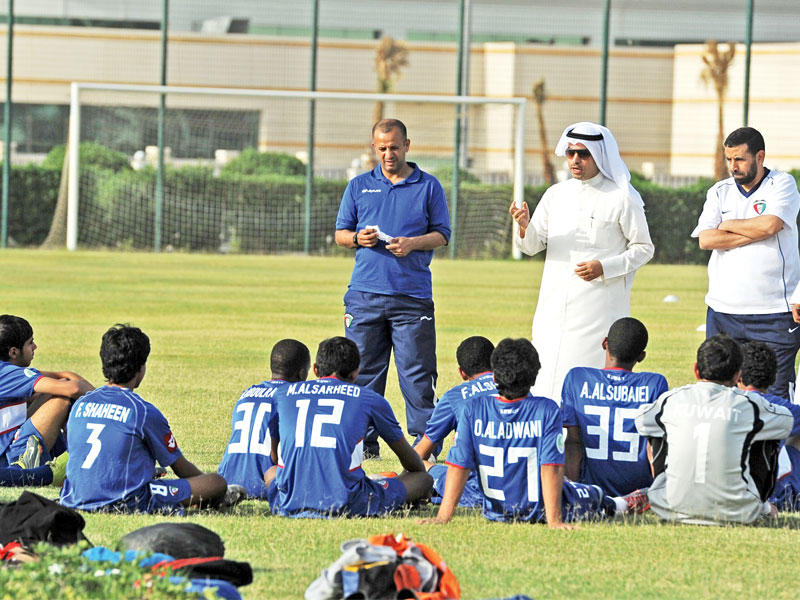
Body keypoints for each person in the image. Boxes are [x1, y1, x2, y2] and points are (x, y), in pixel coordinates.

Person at [423, 338, 648, 528]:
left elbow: (459, 465)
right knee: (593, 494)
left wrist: (443, 517)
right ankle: (622, 504)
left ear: (495, 377)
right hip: (537, 507)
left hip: (496, 510)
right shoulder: (546, 409)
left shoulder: (474, 409)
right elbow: (551, 466)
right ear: (533, 378)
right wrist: (554, 521)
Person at [509, 122, 654, 403]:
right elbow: (532, 246)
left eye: (583, 154)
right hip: (554, 304)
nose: (575, 160)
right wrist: (525, 227)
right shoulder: (555, 195)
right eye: (571, 153)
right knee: (548, 366)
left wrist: (604, 267)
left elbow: (644, 248)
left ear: (599, 155)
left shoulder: (621, 197)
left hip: (597, 305)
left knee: (587, 366)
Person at [334, 118, 451, 458]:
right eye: (382, 148)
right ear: (374, 147)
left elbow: (442, 234)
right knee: (362, 374)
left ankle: (425, 448)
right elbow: (341, 234)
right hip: (365, 295)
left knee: (417, 375)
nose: (388, 154)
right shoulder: (358, 186)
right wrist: (358, 238)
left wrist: (412, 243)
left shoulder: (428, 186)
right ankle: (364, 445)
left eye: (395, 148)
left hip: (411, 298)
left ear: (407, 146)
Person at [60, 324, 240, 514]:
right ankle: (206, 500)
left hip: (73, 497)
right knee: (215, 482)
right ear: (140, 368)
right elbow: (180, 467)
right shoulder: (143, 411)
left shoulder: (81, 403)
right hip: (125, 500)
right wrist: (207, 488)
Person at [265, 336, 432, 518]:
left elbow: (274, 457)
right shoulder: (369, 399)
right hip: (347, 502)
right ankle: (374, 485)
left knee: (271, 472)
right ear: (356, 372)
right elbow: (411, 462)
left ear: (315, 369)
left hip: (288, 501)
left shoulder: (282, 394)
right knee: (423, 479)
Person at [635, 334, 793, 524]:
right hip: (738, 512)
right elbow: (786, 422)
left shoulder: (673, 399)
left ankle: (668, 488)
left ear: (696, 370)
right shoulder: (749, 404)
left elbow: (641, 421)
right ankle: (762, 505)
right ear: (738, 375)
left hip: (669, 508)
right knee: (767, 433)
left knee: (657, 429)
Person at [692, 126, 800, 400]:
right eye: (729, 159)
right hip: (722, 312)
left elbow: (771, 225)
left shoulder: (782, 184)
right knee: (719, 395)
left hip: (774, 313)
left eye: (739, 159)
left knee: (775, 399)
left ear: (760, 156)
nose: (733, 166)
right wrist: (755, 231)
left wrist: (727, 225)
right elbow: (706, 239)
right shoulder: (719, 192)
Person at [561, 317, 668, 496]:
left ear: (605, 343)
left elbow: (573, 443)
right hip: (637, 492)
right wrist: (659, 495)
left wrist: (574, 494)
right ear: (641, 356)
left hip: (591, 490)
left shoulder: (577, 378)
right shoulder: (654, 384)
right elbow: (653, 447)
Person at [217, 339, 310, 499]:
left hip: (227, 479)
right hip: (264, 481)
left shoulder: (247, 393)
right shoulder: (293, 397)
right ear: (302, 373)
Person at [0, 314, 94, 469]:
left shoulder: (8, 371)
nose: (35, 347)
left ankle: (64, 458)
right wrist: (106, 402)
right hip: (7, 460)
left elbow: (64, 376)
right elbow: (73, 388)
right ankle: (28, 465)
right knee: (61, 399)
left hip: (8, 447)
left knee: (48, 392)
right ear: (13, 352)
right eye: (30, 343)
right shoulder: (8, 374)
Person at [414, 335, 496, 507]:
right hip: (519, 487)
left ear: (462, 373)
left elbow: (419, 454)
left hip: (471, 489)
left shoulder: (455, 396)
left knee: (419, 464)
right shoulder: (520, 390)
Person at [736, 340, 800, 511]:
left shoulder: (724, 403)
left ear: (737, 376)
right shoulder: (782, 408)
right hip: (774, 496)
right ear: (773, 378)